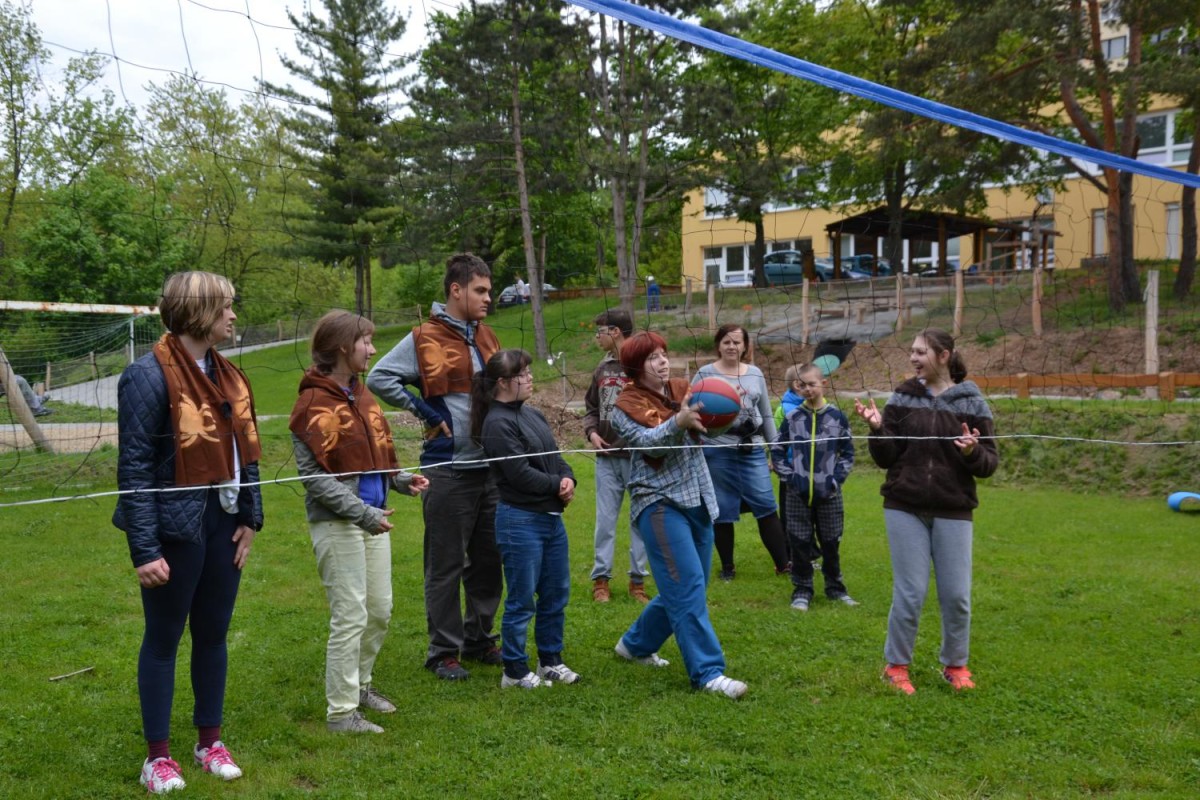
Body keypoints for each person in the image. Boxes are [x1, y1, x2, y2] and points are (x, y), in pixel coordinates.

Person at [113, 271, 263, 794]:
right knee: (164, 639)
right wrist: (144, 549)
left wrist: (250, 518)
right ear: (199, 312)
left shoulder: (230, 375)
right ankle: (157, 758)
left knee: (214, 634)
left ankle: (209, 743)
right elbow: (134, 470)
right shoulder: (147, 376)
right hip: (174, 528)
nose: (233, 315)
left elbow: (247, 454)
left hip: (224, 522)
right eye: (226, 306)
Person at [289, 310, 430, 733]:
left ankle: (361, 684)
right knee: (350, 615)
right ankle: (341, 712)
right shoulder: (311, 404)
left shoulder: (362, 395)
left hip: (374, 518)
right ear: (341, 347)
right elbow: (314, 479)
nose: (372, 349)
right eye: (365, 341)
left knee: (380, 611)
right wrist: (361, 513)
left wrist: (400, 480)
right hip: (339, 523)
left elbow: (373, 457)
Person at [366, 253, 504, 681]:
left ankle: (480, 638)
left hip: (492, 468)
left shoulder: (488, 336)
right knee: (445, 564)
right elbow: (378, 377)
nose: (488, 297)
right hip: (448, 469)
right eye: (480, 290)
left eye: (489, 290)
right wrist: (424, 411)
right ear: (456, 290)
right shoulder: (423, 337)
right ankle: (443, 651)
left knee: (489, 560)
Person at [854, 328, 998, 695]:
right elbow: (887, 457)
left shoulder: (972, 402)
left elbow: (989, 463)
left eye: (921, 352)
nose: (913, 358)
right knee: (911, 592)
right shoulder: (903, 397)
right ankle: (896, 666)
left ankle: (955, 665)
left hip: (954, 508)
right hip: (904, 505)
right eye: (912, 351)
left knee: (957, 596)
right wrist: (877, 430)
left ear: (943, 355)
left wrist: (972, 452)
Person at [610, 331, 747, 699]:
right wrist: (678, 422)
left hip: (697, 497)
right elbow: (649, 443)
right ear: (636, 367)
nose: (663, 362)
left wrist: (727, 410)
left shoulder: (685, 388)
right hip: (658, 503)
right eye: (652, 358)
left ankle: (636, 644)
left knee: (691, 585)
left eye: (663, 354)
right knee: (686, 587)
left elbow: (710, 430)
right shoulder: (623, 405)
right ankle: (708, 673)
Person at [471, 349, 579, 689]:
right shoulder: (496, 423)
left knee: (555, 593)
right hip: (519, 521)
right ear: (503, 382)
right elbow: (518, 474)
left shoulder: (533, 414)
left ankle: (550, 661)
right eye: (523, 374)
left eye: (529, 371)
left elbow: (556, 458)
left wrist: (569, 478)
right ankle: (515, 671)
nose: (531, 378)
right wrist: (556, 485)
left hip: (550, 519)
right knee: (521, 599)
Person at [693, 324, 789, 580]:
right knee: (722, 509)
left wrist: (776, 450)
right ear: (718, 345)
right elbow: (691, 408)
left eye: (736, 342)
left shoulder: (755, 373)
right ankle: (728, 568)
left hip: (752, 449)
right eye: (726, 342)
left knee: (766, 504)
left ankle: (784, 565)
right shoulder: (704, 374)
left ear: (745, 346)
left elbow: (766, 415)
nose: (731, 346)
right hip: (717, 449)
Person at [771, 363, 857, 611]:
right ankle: (802, 590)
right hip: (797, 494)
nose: (807, 389)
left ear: (823, 384)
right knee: (799, 543)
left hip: (829, 494)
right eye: (802, 385)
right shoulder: (793, 417)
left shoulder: (837, 417)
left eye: (812, 384)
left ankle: (835, 588)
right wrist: (790, 478)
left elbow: (848, 453)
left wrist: (835, 480)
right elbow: (777, 449)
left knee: (830, 542)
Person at [582, 309, 650, 604]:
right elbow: (591, 408)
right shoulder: (602, 368)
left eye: (600, 331)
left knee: (641, 521)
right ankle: (601, 581)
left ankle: (638, 582)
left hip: (639, 458)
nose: (596, 337)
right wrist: (592, 433)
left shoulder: (643, 365)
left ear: (615, 332)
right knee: (605, 522)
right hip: (607, 457)